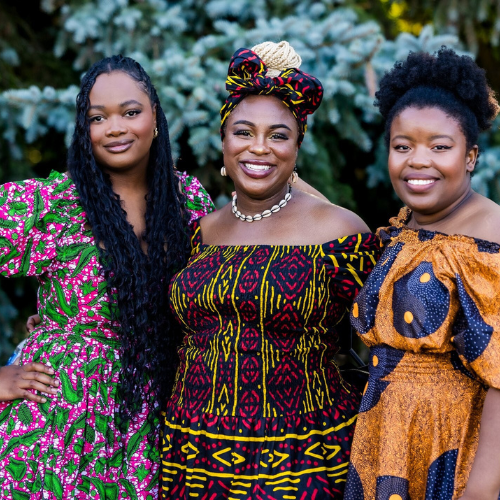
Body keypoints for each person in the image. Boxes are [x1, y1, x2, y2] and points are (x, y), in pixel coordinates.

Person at [160, 41, 380, 499]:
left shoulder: (339, 231)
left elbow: (391, 342)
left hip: (303, 459)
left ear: (297, 146)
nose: (259, 148)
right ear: (223, 142)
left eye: (278, 135)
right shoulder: (198, 232)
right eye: (243, 132)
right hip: (190, 456)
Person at [0, 55, 213, 498]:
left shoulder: (189, 201)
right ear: (86, 130)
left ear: (155, 117)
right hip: (56, 423)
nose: (115, 128)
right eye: (99, 118)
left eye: (130, 112)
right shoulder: (54, 204)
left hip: (149, 425)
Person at [344, 48, 500, 499]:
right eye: (402, 146)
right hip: (384, 438)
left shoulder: (488, 239)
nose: (418, 160)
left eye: (439, 146)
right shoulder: (407, 229)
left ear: (470, 156)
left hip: (449, 447)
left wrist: (482, 490)